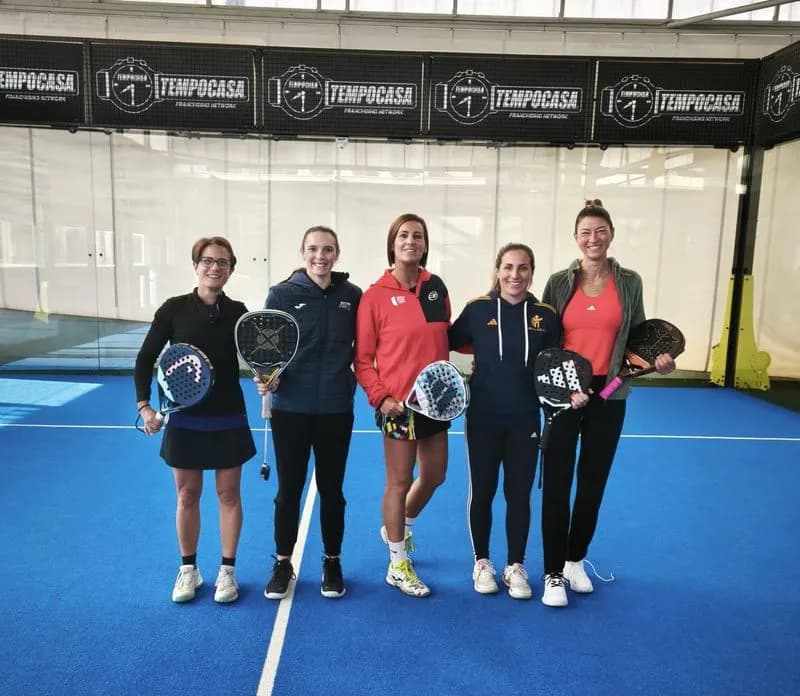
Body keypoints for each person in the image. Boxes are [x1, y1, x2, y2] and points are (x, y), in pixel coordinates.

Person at [539, 199, 675, 608]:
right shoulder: (558, 282)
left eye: (600, 231)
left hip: (610, 392)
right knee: (558, 483)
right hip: (565, 394)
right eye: (585, 232)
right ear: (575, 238)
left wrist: (659, 360)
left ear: (611, 235)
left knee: (593, 481)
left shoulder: (629, 282)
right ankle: (552, 573)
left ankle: (575, 558)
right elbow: (546, 340)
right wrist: (561, 389)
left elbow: (638, 339)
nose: (593, 238)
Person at [450, 243, 587, 600]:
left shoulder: (545, 314)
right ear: (497, 270)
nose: (515, 275)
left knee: (518, 494)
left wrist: (573, 392)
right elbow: (452, 341)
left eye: (523, 268)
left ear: (532, 272)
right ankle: (482, 563)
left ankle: (516, 566)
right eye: (508, 267)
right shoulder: (477, 308)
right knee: (482, 491)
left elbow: (557, 364)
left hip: (526, 417)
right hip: (482, 416)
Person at [134, 236, 256, 604]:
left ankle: (227, 573)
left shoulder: (238, 312)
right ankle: (189, 570)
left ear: (231, 269)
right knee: (187, 495)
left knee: (228, 495)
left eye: (222, 262)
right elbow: (145, 359)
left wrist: (269, 378)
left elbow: (255, 357)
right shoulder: (173, 309)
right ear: (196, 265)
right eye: (207, 260)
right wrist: (145, 408)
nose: (214, 267)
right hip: (184, 417)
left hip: (228, 416)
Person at [257, 226, 361, 600]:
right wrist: (268, 377)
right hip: (291, 411)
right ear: (303, 252)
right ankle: (283, 562)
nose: (321, 256)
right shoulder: (281, 294)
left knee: (333, 492)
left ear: (337, 253)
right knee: (289, 491)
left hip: (336, 409)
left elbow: (364, 351)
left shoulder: (353, 296)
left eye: (328, 249)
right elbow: (266, 350)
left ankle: (332, 561)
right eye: (314, 249)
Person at [354, 213, 451, 598]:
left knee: (435, 475)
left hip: (436, 401)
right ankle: (397, 562)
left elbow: (444, 335)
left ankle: (399, 524)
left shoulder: (435, 287)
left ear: (425, 245)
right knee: (399, 481)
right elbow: (362, 359)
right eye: (404, 236)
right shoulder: (374, 296)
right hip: (399, 406)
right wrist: (382, 397)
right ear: (392, 244)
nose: (411, 241)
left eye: (418, 236)